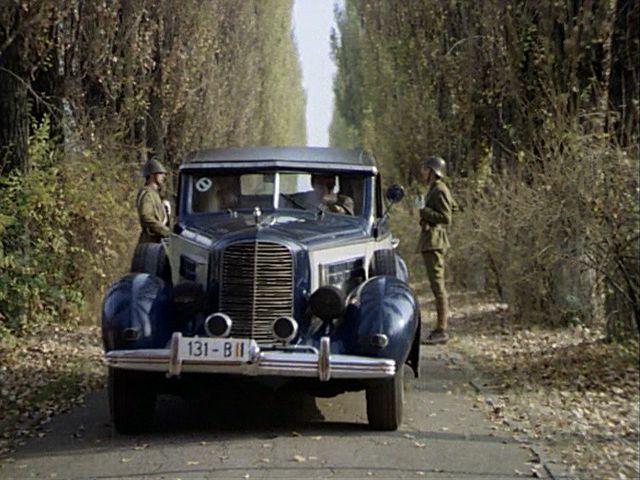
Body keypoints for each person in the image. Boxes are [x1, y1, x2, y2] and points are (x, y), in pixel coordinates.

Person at [416, 156, 455, 344]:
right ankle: (440, 328)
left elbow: (446, 217)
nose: (422, 172)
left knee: (438, 286)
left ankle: (442, 329)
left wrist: (424, 211)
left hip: (435, 241)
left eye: (425, 169)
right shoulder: (434, 189)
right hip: (430, 240)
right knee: (435, 285)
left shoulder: (440, 189)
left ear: (433, 171)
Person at [137, 158, 171, 244]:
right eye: (160, 174)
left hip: (158, 240)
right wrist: (164, 231)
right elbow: (146, 216)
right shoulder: (147, 194)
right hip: (150, 241)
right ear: (152, 175)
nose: (163, 176)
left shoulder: (155, 194)